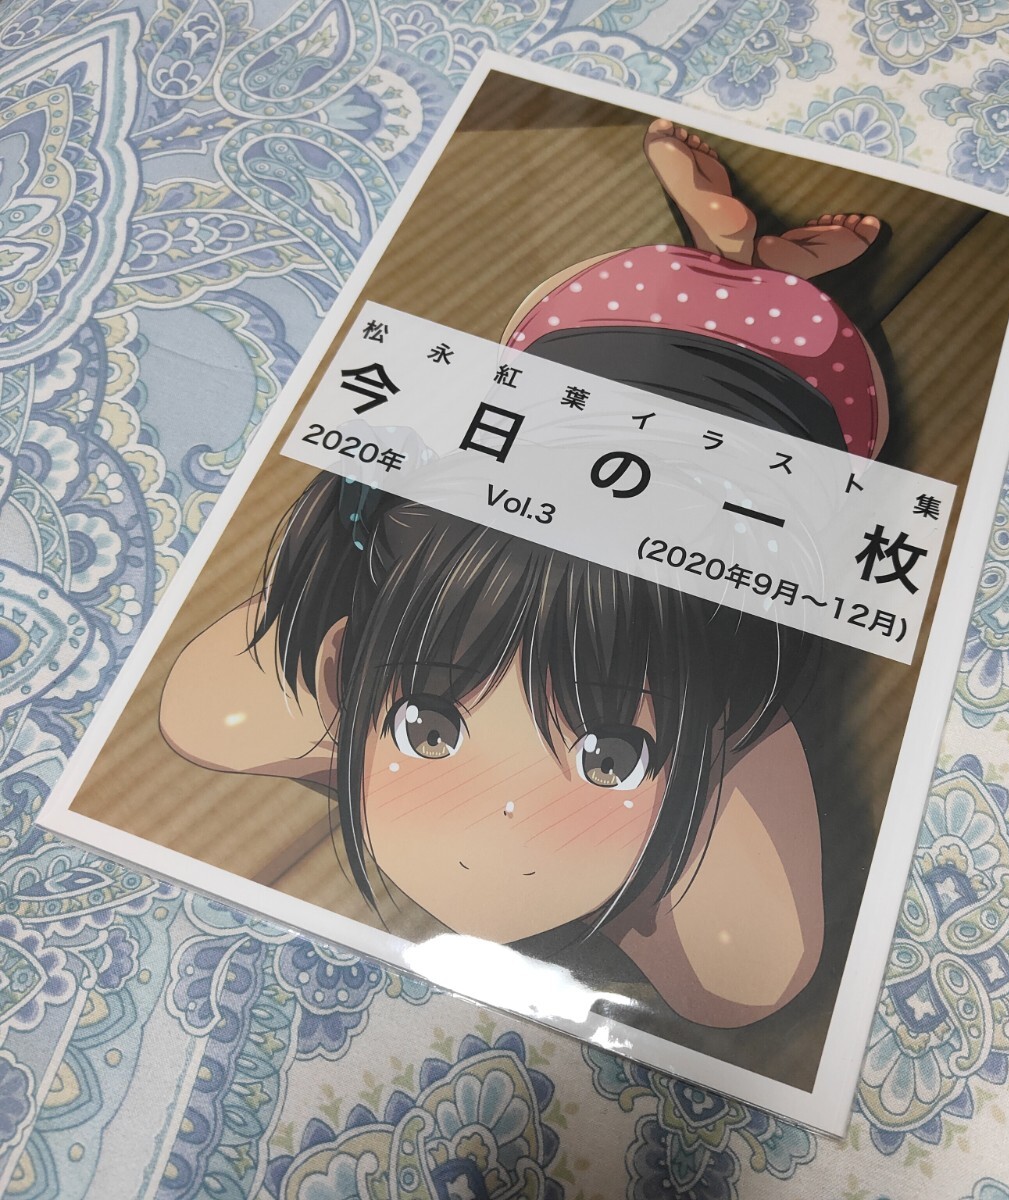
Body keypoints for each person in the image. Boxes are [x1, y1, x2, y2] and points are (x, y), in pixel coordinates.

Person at [159, 120, 889, 1028]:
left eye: (609, 758)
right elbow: (216, 706)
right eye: (429, 728)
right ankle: (741, 253)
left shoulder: (724, 681)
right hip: (628, 332)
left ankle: (742, 256)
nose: (500, 830)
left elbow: (750, 974)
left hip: (762, 358)